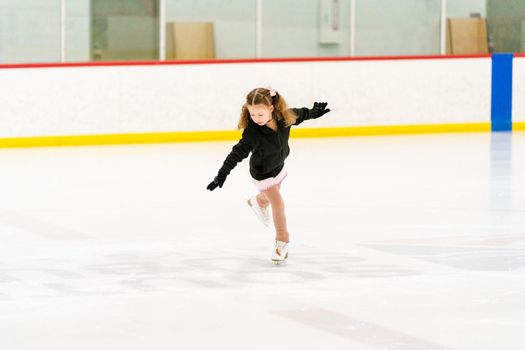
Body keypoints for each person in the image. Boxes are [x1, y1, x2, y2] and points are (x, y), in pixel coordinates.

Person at [206, 87, 331, 264]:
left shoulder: (285, 118)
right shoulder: (252, 132)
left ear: (271, 109)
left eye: (260, 114)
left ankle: (258, 201)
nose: (255, 119)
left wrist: (315, 112)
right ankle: (282, 242)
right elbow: (237, 152)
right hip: (262, 173)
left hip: (278, 167)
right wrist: (222, 173)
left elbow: (301, 114)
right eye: (252, 114)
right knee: (278, 203)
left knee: (268, 198)